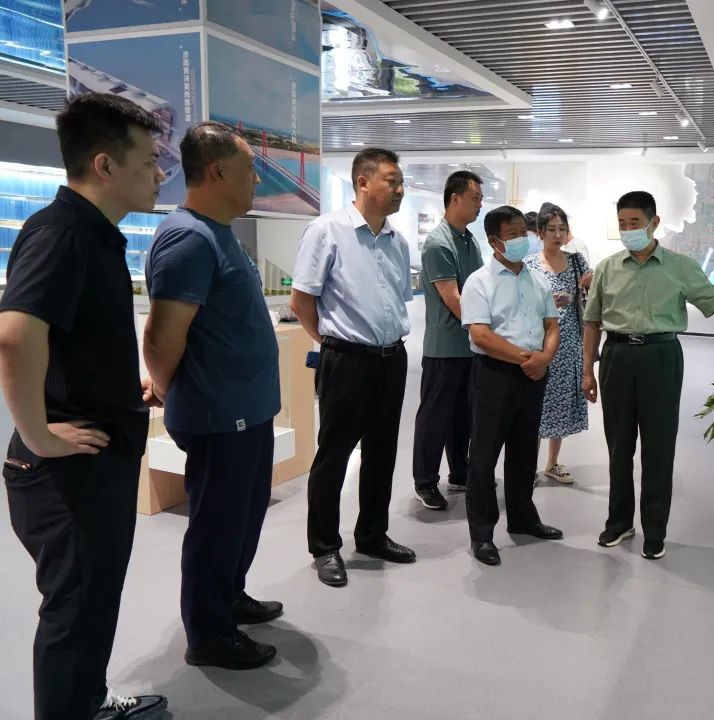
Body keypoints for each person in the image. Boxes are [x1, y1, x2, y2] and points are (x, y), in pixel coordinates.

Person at [0, 92, 168, 719]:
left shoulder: (95, 236)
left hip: (93, 457)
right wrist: (39, 435)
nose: (159, 173)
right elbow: (14, 336)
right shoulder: (63, 232)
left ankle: (89, 703)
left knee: (92, 602)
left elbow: (66, 339)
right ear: (105, 165)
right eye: (148, 161)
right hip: (67, 470)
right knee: (74, 612)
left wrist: (120, 387)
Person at [582, 191, 714, 560]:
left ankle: (655, 531)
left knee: (659, 446)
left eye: (635, 223)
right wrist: (588, 369)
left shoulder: (680, 267)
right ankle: (618, 523)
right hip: (616, 356)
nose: (628, 230)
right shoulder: (606, 267)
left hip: (661, 356)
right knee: (618, 446)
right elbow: (591, 321)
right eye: (622, 224)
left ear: (654, 223)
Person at [143, 122, 283, 670]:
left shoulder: (220, 232)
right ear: (218, 171)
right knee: (217, 526)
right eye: (250, 170)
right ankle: (207, 633)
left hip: (247, 411)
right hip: (219, 415)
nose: (256, 180)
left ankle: (229, 596)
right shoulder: (188, 238)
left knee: (243, 518)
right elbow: (162, 337)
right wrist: (167, 387)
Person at [291, 148, 416, 587]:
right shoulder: (327, 231)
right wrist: (330, 343)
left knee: (382, 452)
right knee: (335, 455)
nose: (400, 190)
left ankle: (372, 535)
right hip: (346, 359)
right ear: (363, 182)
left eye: (401, 182)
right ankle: (325, 546)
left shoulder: (398, 242)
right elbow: (301, 301)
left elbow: (397, 299)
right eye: (391, 181)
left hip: (391, 359)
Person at [461, 205, 564, 566]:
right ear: (494, 241)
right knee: (484, 455)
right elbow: (481, 335)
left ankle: (522, 518)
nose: (523, 238)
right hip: (494, 375)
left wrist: (544, 358)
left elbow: (552, 324)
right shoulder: (479, 282)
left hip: (533, 375)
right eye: (513, 233)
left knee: (524, 451)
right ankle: (482, 533)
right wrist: (527, 359)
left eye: (524, 231)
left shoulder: (538, 279)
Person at [412, 170, 485, 510]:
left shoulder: (468, 240)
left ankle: (459, 472)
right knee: (435, 417)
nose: (480, 205)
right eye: (475, 199)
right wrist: (486, 327)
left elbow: (481, 287)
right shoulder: (438, 243)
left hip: (469, 346)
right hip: (444, 348)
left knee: (463, 417)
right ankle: (425, 481)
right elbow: (453, 299)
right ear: (455, 199)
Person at [523, 203, 592, 483]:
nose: (557, 235)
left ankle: (552, 463)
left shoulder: (576, 261)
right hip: (539, 341)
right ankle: (528, 466)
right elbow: (521, 302)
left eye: (562, 229)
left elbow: (590, 295)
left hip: (570, 341)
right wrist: (546, 303)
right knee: (536, 404)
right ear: (540, 232)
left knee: (561, 402)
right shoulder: (529, 264)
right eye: (551, 229)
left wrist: (587, 285)